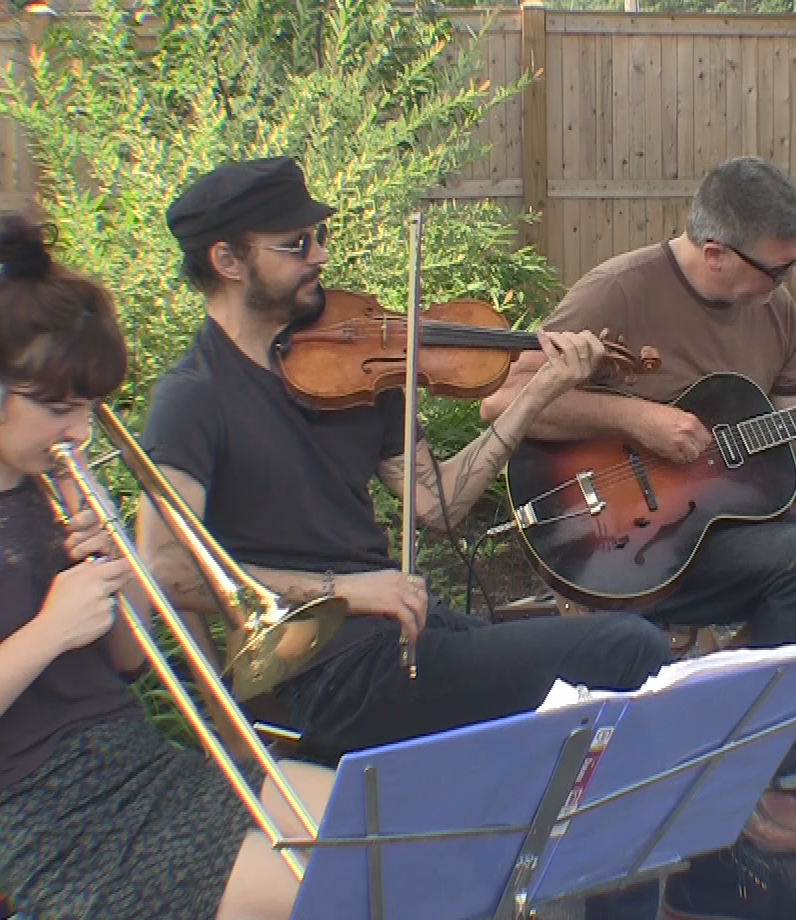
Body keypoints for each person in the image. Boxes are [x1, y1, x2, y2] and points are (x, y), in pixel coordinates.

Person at [479, 155, 796, 914]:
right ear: (715, 253)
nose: (787, 287)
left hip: (717, 528)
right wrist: (634, 417)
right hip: (614, 536)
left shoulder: (773, 309)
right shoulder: (621, 291)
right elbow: (504, 405)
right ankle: (750, 784)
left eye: (793, 266)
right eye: (776, 271)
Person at [0, 214, 330, 920]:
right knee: (328, 894)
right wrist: (46, 631)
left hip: (145, 771)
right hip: (56, 833)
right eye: (59, 409)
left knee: (373, 827)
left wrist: (121, 565)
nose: (80, 431)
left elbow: (128, 658)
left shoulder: (45, 490)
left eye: (89, 408)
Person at [132, 155, 674, 766]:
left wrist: (538, 392)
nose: (319, 256)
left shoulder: (361, 361)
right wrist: (342, 592)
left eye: (321, 236)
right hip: (321, 667)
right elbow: (165, 567)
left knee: (612, 653)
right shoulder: (193, 396)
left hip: (403, 635)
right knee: (625, 648)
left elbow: (437, 501)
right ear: (226, 262)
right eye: (296, 244)